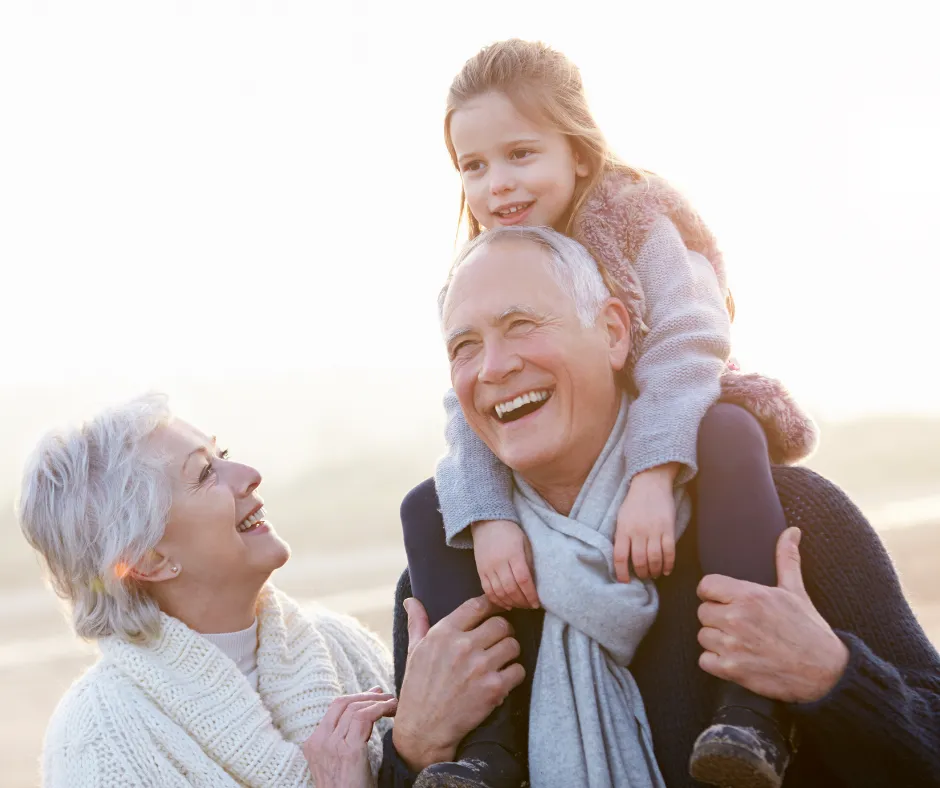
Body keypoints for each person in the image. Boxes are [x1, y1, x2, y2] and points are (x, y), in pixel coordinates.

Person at [386, 228, 940, 788]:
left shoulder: (789, 514)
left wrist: (830, 676)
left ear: (613, 332)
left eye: (521, 325)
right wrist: (409, 750)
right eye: (465, 347)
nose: (493, 367)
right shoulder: (448, 578)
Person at [404, 38, 815, 788]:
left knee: (729, 429)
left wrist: (654, 474)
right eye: (473, 166)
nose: (498, 184)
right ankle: (486, 750)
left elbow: (690, 341)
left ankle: (754, 709)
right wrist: (490, 516)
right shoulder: (482, 267)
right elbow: (469, 403)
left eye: (521, 154)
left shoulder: (635, 216)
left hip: (676, 412)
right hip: (563, 469)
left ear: (580, 152)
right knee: (429, 507)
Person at [18, 393, 524, 788]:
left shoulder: (338, 643)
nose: (250, 476)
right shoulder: (99, 741)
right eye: (204, 474)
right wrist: (415, 745)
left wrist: (414, 756)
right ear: (149, 559)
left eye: (226, 455)